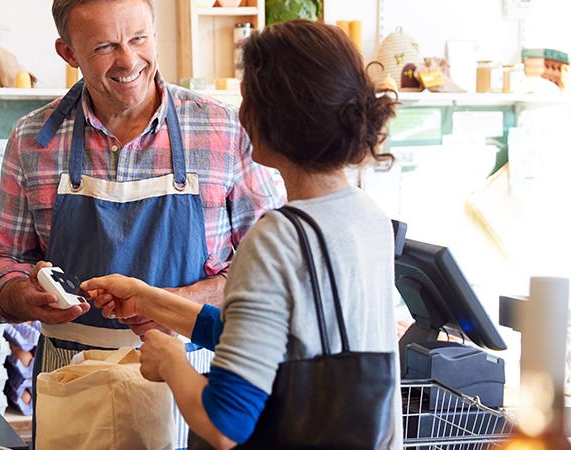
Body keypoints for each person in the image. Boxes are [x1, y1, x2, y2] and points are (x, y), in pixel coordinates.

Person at [83, 19, 403, 450]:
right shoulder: (368, 217)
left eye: (248, 96)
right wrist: (149, 299)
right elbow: (277, 342)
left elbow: (224, 424)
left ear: (271, 117)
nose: (240, 112)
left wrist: (171, 361)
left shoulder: (277, 238)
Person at [0, 0, 285, 446]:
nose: (128, 60)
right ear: (68, 53)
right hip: (71, 380)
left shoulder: (221, 127)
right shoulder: (32, 139)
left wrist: (169, 305)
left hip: (189, 376)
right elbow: (2, 258)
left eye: (139, 38)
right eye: (105, 46)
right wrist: (21, 294)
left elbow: (269, 270)